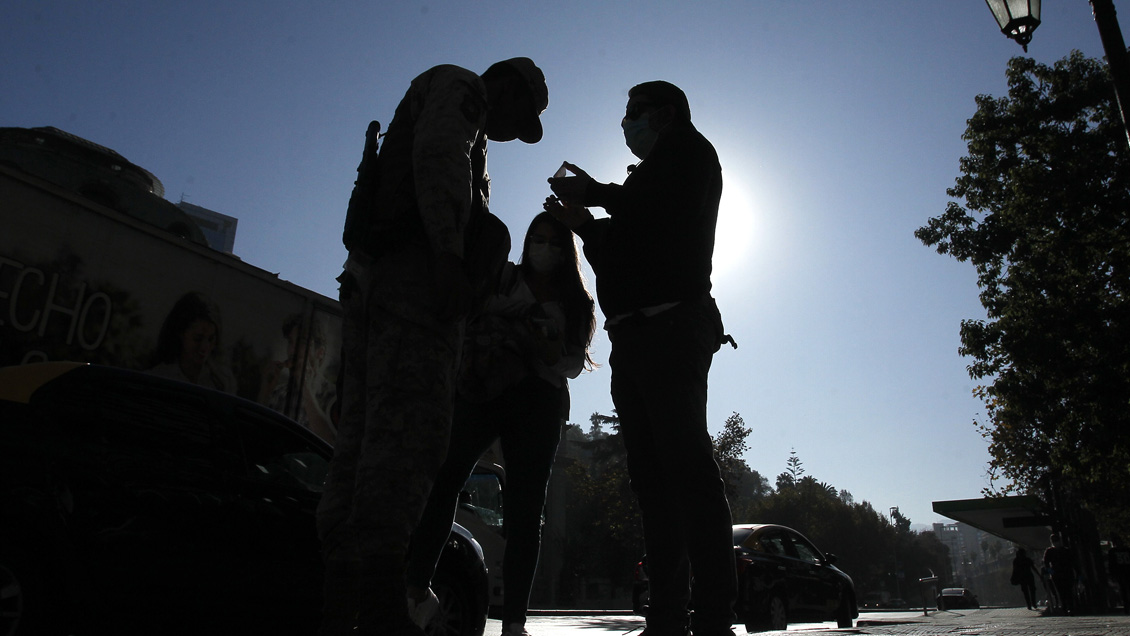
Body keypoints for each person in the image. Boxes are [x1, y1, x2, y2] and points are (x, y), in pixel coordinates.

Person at [316, 58, 548, 636]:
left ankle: (343, 595)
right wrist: (447, 254)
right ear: (508, 88)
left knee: (362, 441)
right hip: (416, 284)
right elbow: (440, 157)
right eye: (520, 117)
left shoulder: (448, 103)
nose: (511, 133)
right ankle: (378, 603)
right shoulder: (463, 88)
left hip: (380, 281)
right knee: (409, 436)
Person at [545, 80, 736, 636]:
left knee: (687, 469)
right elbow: (624, 253)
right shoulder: (643, 181)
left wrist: (596, 193)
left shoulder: (690, 155)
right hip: (632, 339)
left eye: (634, 113)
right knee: (652, 480)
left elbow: (658, 212)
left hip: (671, 329)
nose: (626, 124)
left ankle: (714, 616)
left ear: (665, 114)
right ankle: (668, 613)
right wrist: (586, 227)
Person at [405, 211, 596, 636]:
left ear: (566, 251)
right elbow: (474, 311)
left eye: (553, 242)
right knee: (448, 475)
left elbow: (571, 364)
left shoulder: (576, 301)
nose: (544, 248)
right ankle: (417, 588)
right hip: (486, 387)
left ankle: (514, 623)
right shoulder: (505, 277)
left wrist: (549, 347)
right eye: (537, 239)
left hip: (539, 400)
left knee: (526, 512)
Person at [147, 291, 236, 393]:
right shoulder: (159, 377)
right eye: (197, 338)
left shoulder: (223, 381)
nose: (204, 347)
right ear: (180, 333)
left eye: (211, 339)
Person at [1043, 533, 1077, 615]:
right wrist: (1051, 572)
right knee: (1062, 592)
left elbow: (1073, 562)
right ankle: (1066, 608)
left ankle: (1069, 608)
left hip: (1066, 573)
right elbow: (1046, 562)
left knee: (1067, 591)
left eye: (1056, 541)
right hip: (1059, 574)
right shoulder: (1052, 551)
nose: (1056, 543)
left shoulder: (1065, 550)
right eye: (1054, 541)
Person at [1108, 535, 1130, 614]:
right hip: (1120, 573)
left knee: (1125, 590)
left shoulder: (1127, 550)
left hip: (1126, 572)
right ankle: (1126, 607)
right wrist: (1113, 574)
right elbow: (1111, 564)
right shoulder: (1113, 552)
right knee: (1123, 590)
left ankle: (1127, 607)